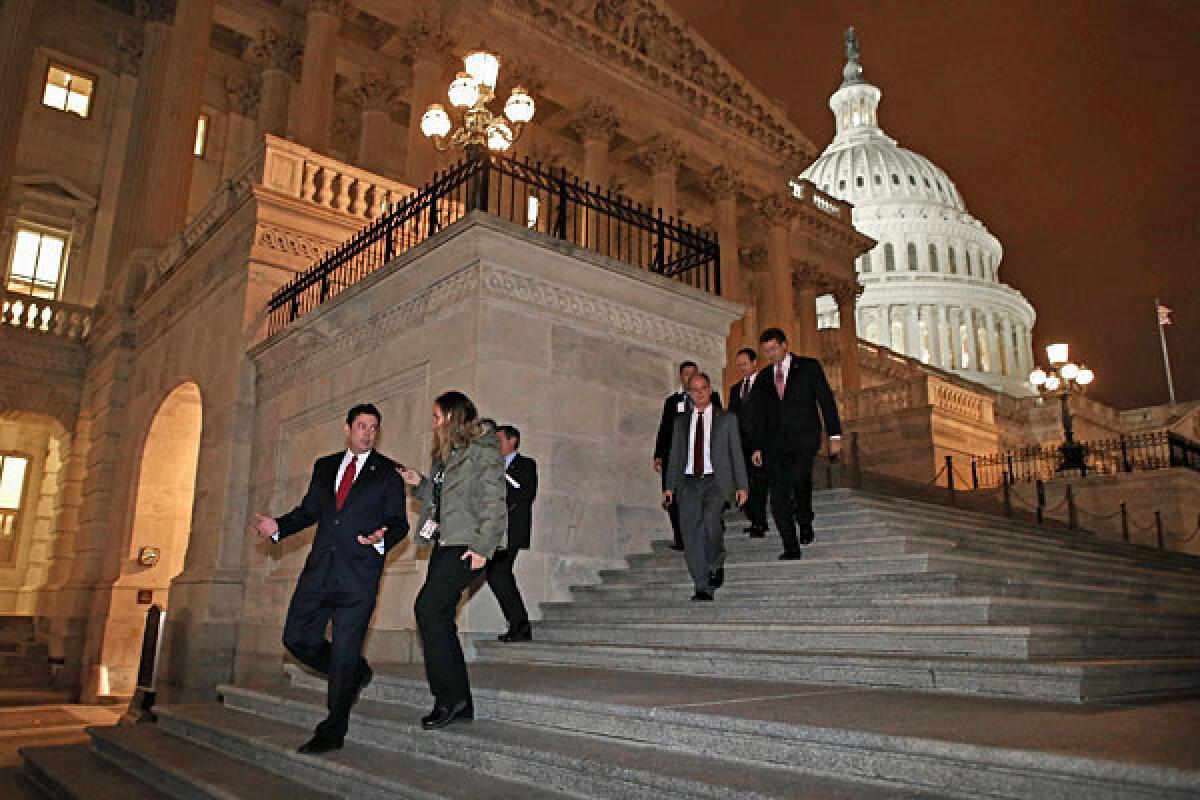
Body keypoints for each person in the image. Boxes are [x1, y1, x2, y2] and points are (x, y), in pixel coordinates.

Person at [252, 404, 409, 755]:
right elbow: (310, 511)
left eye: (374, 428)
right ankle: (352, 671)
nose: (368, 433)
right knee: (296, 638)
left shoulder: (387, 473)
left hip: (359, 577)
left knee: (344, 650)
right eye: (362, 426)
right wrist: (279, 527)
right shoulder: (325, 467)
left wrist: (382, 537)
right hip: (319, 572)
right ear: (347, 428)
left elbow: (400, 523)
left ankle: (332, 729)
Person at [399, 391, 506, 730]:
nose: (432, 423)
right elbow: (445, 499)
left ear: (450, 416)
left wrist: (482, 547)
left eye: (435, 416)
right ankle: (459, 701)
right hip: (444, 542)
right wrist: (420, 485)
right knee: (438, 615)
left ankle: (448, 697)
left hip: (467, 545)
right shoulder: (445, 456)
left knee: (427, 610)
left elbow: (493, 501)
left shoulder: (483, 449)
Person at [746, 327, 842, 560]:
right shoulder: (764, 378)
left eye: (773, 349)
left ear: (785, 345)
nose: (770, 355)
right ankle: (790, 546)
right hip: (775, 445)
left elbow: (825, 399)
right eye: (766, 351)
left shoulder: (808, 367)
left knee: (800, 479)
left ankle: (805, 521)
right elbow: (756, 414)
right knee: (778, 495)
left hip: (804, 439)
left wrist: (835, 435)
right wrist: (756, 446)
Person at [663, 372, 748, 601]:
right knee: (691, 534)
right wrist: (669, 487)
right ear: (689, 394)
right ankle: (702, 585)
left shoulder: (727, 419)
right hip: (688, 482)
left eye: (704, 388)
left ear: (710, 390)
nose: (700, 393)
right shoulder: (680, 423)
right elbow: (675, 456)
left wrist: (742, 486)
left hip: (716, 481)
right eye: (695, 389)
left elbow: (736, 454)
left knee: (712, 521)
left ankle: (716, 561)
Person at [654, 361, 722, 550]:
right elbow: (664, 429)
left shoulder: (712, 398)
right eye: (686, 374)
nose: (690, 377)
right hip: (675, 455)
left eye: (694, 373)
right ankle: (681, 538)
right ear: (681, 377)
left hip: (703, 458)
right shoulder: (673, 401)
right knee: (673, 498)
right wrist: (659, 453)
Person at [488, 424, 537, 642]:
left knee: (499, 573)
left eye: (499, 440)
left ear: (512, 440)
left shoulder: (525, 464)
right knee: (496, 575)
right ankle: (518, 624)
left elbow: (524, 493)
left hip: (512, 529)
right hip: (493, 530)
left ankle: (520, 624)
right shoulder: (490, 467)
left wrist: (502, 476)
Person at [726, 347, 769, 537]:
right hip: (741, 444)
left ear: (754, 363)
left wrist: (760, 445)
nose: (741, 368)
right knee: (745, 482)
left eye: (744, 364)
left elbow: (768, 417)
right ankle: (754, 520)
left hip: (760, 442)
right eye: (738, 365)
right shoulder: (735, 389)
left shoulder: (766, 384)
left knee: (759, 483)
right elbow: (732, 417)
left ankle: (760, 522)